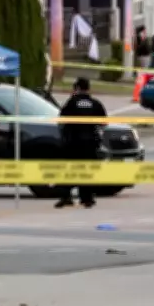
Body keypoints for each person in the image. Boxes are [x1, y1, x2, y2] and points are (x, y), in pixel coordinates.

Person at [55, 78, 107, 209]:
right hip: (90, 143)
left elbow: (62, 118)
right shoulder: (95, 103)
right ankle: (87, 199)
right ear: (89, 88)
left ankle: (65, 197)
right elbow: (104, 123)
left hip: (73, 142)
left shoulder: (72, 102)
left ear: (77, 88)